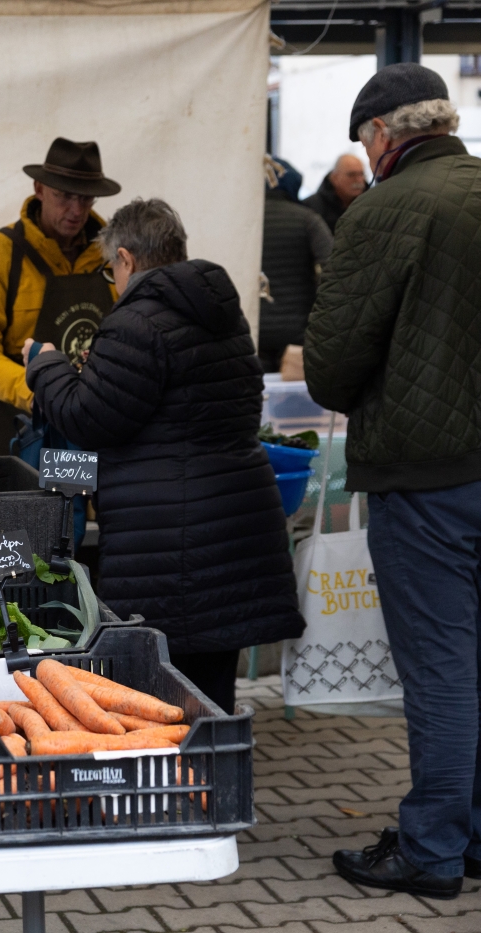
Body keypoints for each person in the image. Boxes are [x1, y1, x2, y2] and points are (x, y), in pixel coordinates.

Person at [306, 63, 481, 901]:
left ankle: (433, 847)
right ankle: (472, 834)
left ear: (382, 135)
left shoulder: (384, 210)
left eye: (362, 141)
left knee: (442, 666)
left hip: (427, 475)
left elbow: (332, 368)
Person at [21, 198, 304, 713]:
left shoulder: (135, 321)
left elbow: (88, 417)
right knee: (213, 688)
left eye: (112, 271)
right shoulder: (222, 312)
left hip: (172, 538)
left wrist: (47, 366)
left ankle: (189, 769)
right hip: (233, 522)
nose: (114, 282)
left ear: (126, 259)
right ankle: (219, 764)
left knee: (167, 696)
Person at [0, 138, 120, 458]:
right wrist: (31, 389)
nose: (77, 210)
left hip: (90, 423)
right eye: (64, 196)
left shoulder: (115, 255)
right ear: (39, 189)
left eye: (86, 198)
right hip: (14, 426)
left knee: (86, 493)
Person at [259, 156, 332, 373]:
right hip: (297, 330)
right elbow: (333, 267)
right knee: (295, 392)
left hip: (253, 326)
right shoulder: (308, 219)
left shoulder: (244, 221)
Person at [303, 153, 367, 232]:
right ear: (335, 178)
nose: (359, 180)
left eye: (361, 174)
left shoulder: (373, 204)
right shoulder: (311, 207)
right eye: (351, 175)